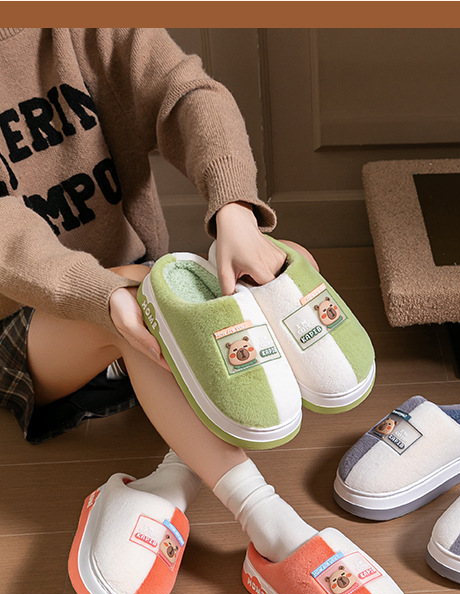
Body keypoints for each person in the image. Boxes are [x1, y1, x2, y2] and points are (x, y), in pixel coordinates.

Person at [0, 27, 321, 566]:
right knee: (144, 299)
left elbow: (188, 93)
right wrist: (103, 295)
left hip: (140, 284)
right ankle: (266, 518)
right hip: (29, 321)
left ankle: (173, 478)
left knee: (290, 267)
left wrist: (235, 211)